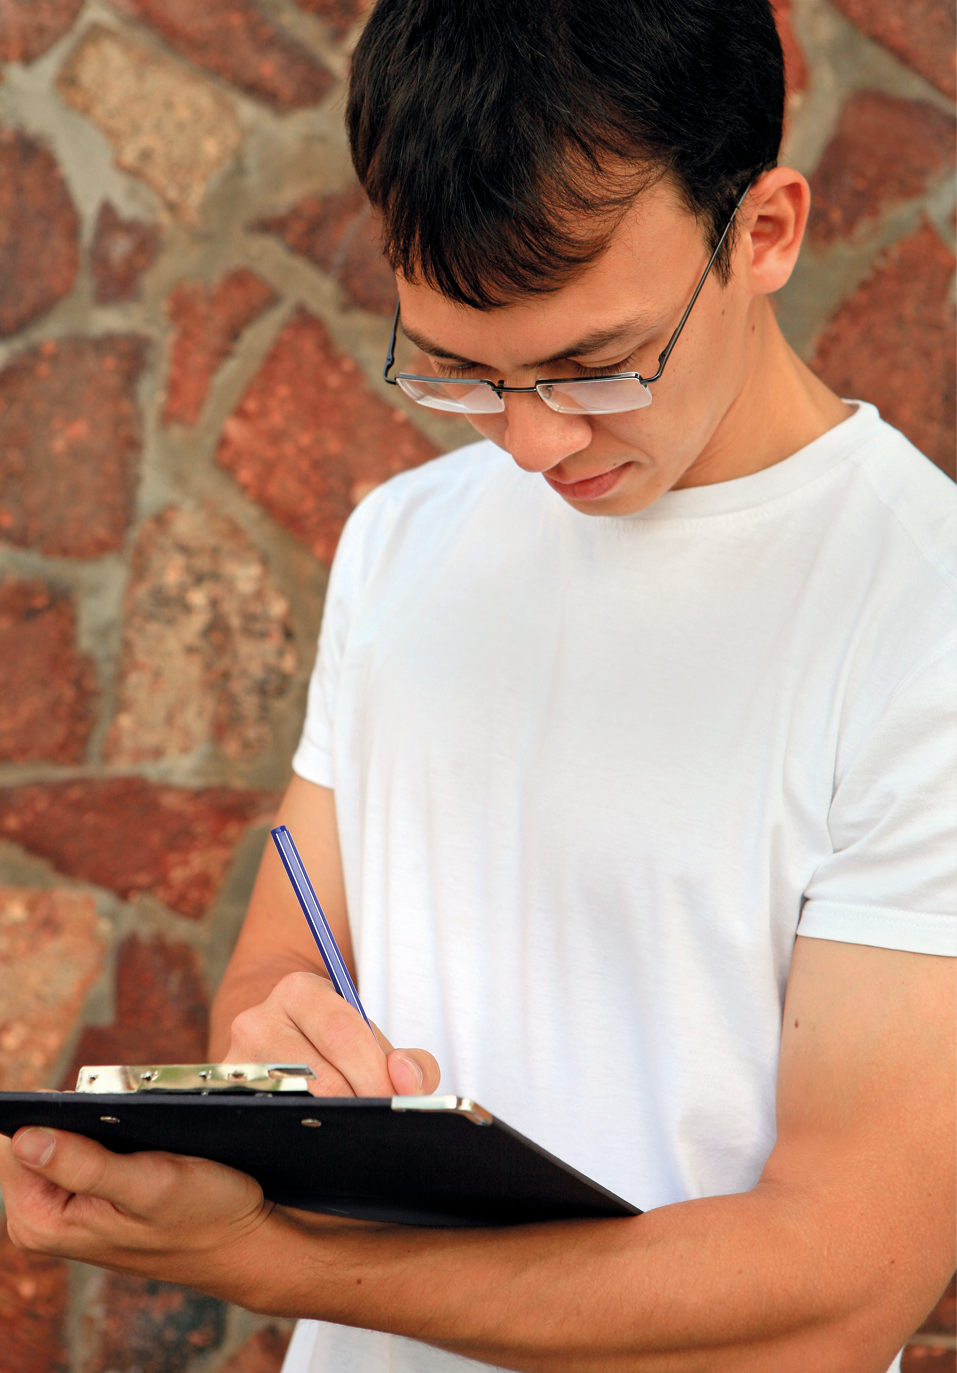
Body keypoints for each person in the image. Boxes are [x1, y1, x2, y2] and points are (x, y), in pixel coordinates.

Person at [1, 1, 954, 1369]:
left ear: (765, 232)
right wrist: (280, 1046)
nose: (530, 442)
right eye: (462, 373)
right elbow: (284, 956)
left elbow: (838, 1278)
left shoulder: (923, 620)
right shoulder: (404, 537)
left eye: (591, 366)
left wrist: (281, 1262)